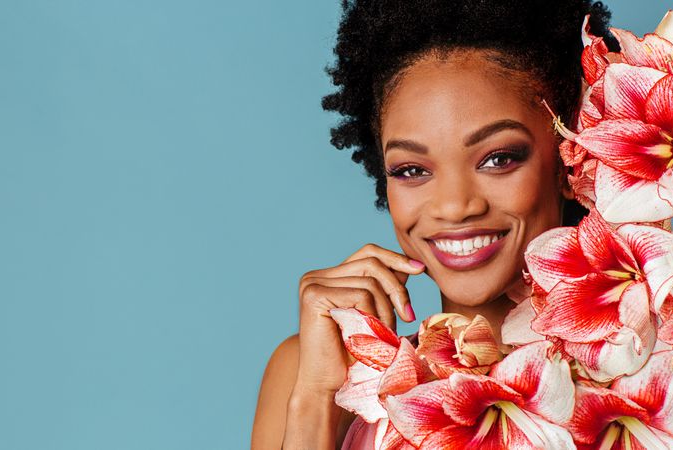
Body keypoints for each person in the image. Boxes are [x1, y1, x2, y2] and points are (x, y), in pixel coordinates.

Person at [251, 0, 614, 448]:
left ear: (567, 159)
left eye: (498, 159)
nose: (455, 206)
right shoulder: (310, 370)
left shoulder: (657, 372)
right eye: (411, 170)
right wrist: (318, 400)